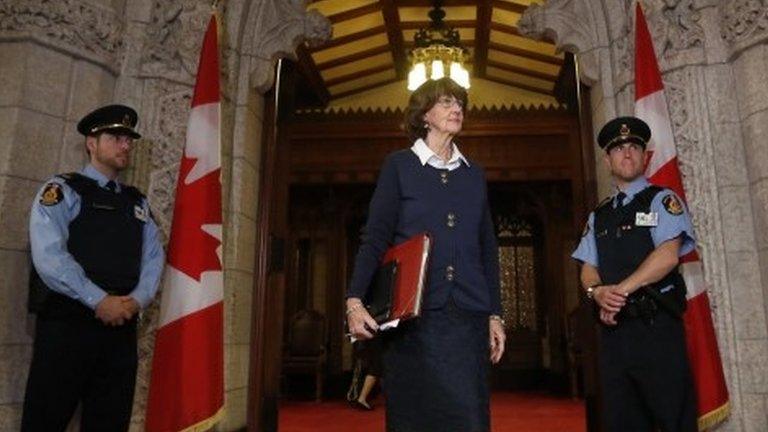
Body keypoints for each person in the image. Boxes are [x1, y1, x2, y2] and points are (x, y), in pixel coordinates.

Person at [345, 77, 506, 432]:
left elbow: (487, 247)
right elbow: (375, 238)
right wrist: (354, 300)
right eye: (446, 102)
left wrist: (495, 314)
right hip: (413, 322)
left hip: (467, 318)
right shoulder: (399, 166)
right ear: (424, 115)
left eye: (460, 103)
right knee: (414, 420)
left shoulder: (474, 174)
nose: (456, 109)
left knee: (469, 420)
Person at [22, 104, 165, 431]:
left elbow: (154, 258)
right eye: (116, 137)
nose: (125, 145)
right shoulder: (63, 190)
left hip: (120, 330)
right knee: (45, 419)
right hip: (68, 324)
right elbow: (49, 256)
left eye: (128, 140)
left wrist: (136, 301)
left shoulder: (136, 202)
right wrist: (99, 300)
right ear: (91, 142)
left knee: (110, 422)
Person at [572, 116, 697, 432]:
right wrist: (596, 292)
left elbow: (666, 257)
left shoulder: (661, 201)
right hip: (616, 336)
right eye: (618, 149)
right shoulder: (598, 215)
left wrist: (619, 291)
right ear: (607, 159)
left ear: (646, 156)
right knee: (623, 423)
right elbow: (588, 267)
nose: (626, 153)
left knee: (673, 420)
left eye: (633, 147)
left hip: (657, 331)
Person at [347, 337, 383, 411]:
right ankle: (362, 398)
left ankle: (361, 397)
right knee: (376, 367)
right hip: (373, 338)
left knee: (375, 367)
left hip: (366, 339)